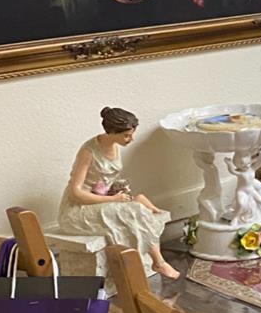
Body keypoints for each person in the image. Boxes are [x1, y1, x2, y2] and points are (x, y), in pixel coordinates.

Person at [58, 106, 179, 279]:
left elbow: (105, 181)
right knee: (133, 210)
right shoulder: (88, 152)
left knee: (138, 204)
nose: (131, 139)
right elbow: (75, 193)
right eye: (126, 135)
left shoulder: (115, 146)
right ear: (111, 132)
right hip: (77, 209)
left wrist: (116, 191)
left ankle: (150, 262)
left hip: (102, 199)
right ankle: (158, 262)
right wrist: (113, 199)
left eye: (132, 134)